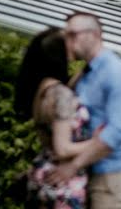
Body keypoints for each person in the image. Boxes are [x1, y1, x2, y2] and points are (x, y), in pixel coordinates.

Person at [46, 12, 121, 208]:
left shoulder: (118, 73)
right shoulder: (88, 72)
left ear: (95, 35)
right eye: (66, 36)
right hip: (89, 169)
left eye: (73, 34)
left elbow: (117, 133)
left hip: (111, 175)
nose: (68, 41)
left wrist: (73, 166)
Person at [14, 27, 101, 209]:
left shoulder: (42, 90)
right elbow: (62, 148)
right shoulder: (61, 95)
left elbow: (65, 95)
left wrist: (88, 66)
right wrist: (99, 142)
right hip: (62, 183)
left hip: (43, 175)